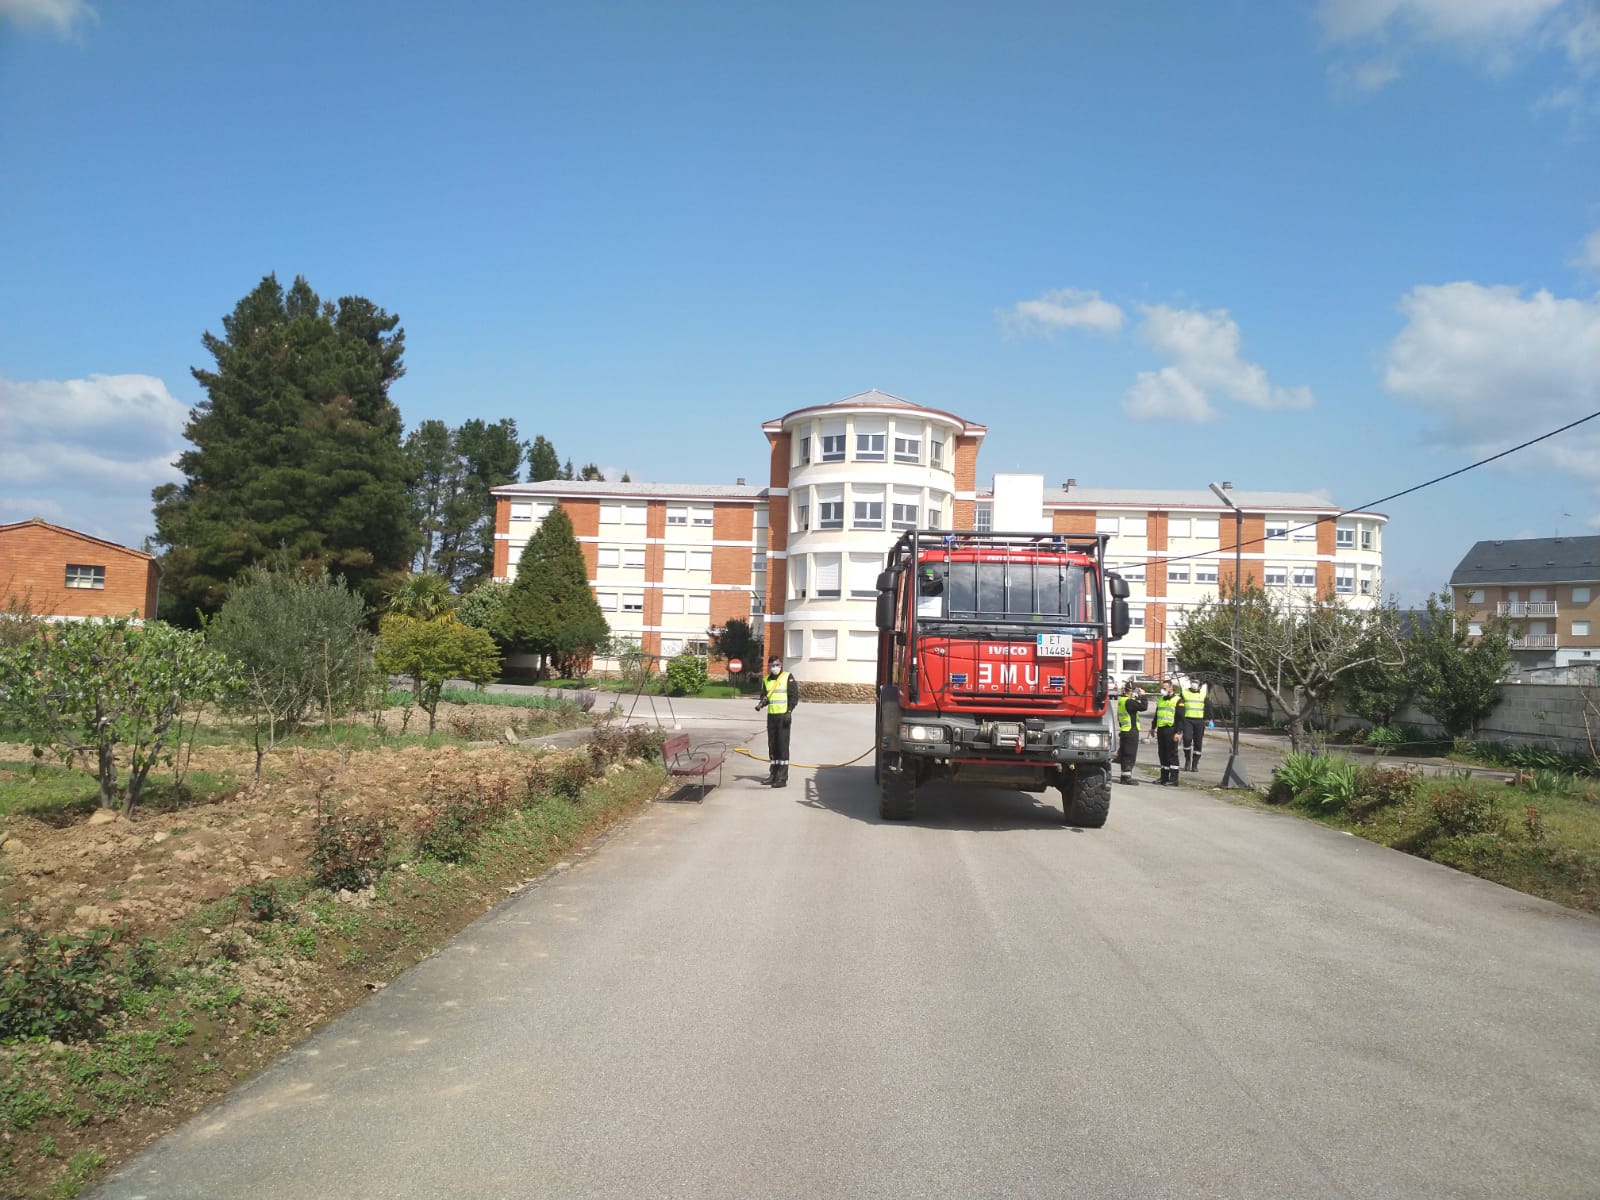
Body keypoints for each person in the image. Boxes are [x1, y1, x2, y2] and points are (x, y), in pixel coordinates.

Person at [754, 655, 799, 787]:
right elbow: (764, 695)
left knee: (782, 747)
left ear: (781, 665)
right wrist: (762, 702)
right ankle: (773, 774)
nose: (775, 667)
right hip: (772, 717)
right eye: (772, 665)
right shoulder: (766, 680)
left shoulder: (787, 677)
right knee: (772, 746)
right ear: (769, 667)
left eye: (777, 665)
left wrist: (789, 711)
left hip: (783, 716)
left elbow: (794, 696)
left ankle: (782, 778)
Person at [1150, 677, 1182, 786]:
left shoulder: (1178, 700)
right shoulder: (1161, 700)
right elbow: (1156, 715)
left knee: (1171, 754)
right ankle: (1164, 777)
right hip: (1161, 729)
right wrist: (1153, 727)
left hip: (1171, 729)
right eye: (1162, 688)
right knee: (1162, 754)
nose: (1162, 690)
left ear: (1170, 688)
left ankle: (1174, 779)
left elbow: (1181, 718)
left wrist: (1178, 732)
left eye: (1164, 688)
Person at [1114, 680, 1147, 785]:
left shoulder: (1122, 700)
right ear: (1131, 691)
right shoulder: (1129, 702)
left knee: (1124, 754)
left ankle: (1124, 776)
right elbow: (1143, 707)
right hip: (1131, 731)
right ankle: (1126, 778)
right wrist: (1143, 696)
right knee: (1130, 755)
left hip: (1124, 730)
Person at [1180, 675, 1209, 772]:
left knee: (1198, 742)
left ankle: (1195, 763)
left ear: (1200, 683)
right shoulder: (1184, 692)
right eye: (1193, 681)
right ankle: (1187, 760)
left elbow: (1209, 706)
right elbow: (1179, 706)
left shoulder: (1203, 694)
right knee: (1187, 739)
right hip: (1187, 720)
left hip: (1199, 721)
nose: (1194, 684)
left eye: (1196, 682)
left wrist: (1209, 719)